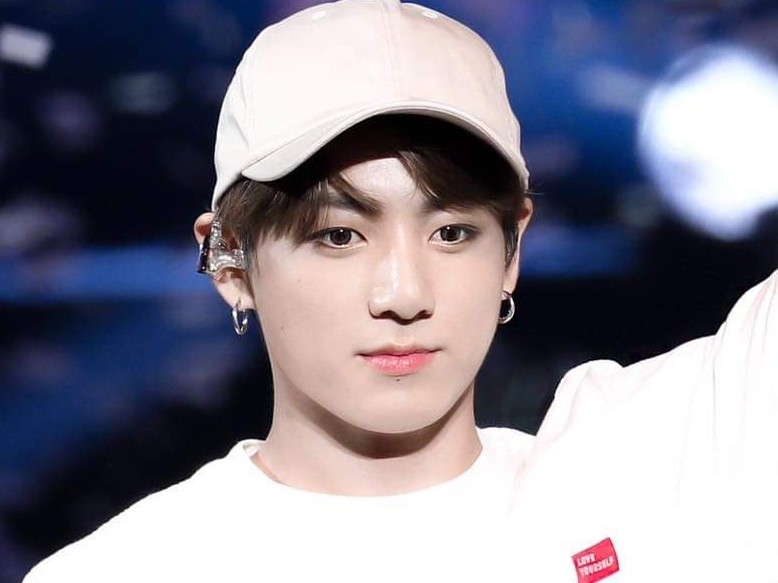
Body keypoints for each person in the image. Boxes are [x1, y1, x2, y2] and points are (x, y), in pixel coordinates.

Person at [24, 1, 777, 582]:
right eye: (338, 235)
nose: (403, 292)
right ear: (229, 263)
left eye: (451, 232)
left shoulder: (660, 466)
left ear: (512, 250)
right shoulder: (127, 570)